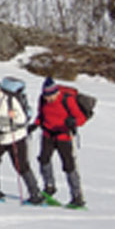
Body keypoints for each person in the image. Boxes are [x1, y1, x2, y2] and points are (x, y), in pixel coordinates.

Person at [34, 77, 87, 208]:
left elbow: (81, 118)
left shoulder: (66, 99)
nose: (48, 99)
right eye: (46, 96)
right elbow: (41, 115)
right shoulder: (42, 99)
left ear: (56, 92)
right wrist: (34, 125)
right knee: (43, 159)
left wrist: (73, 122)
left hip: (64, 136)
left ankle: (77, 196)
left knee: (69, 165)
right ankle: (49, 187)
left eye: (51, 96)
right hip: (47, 134)